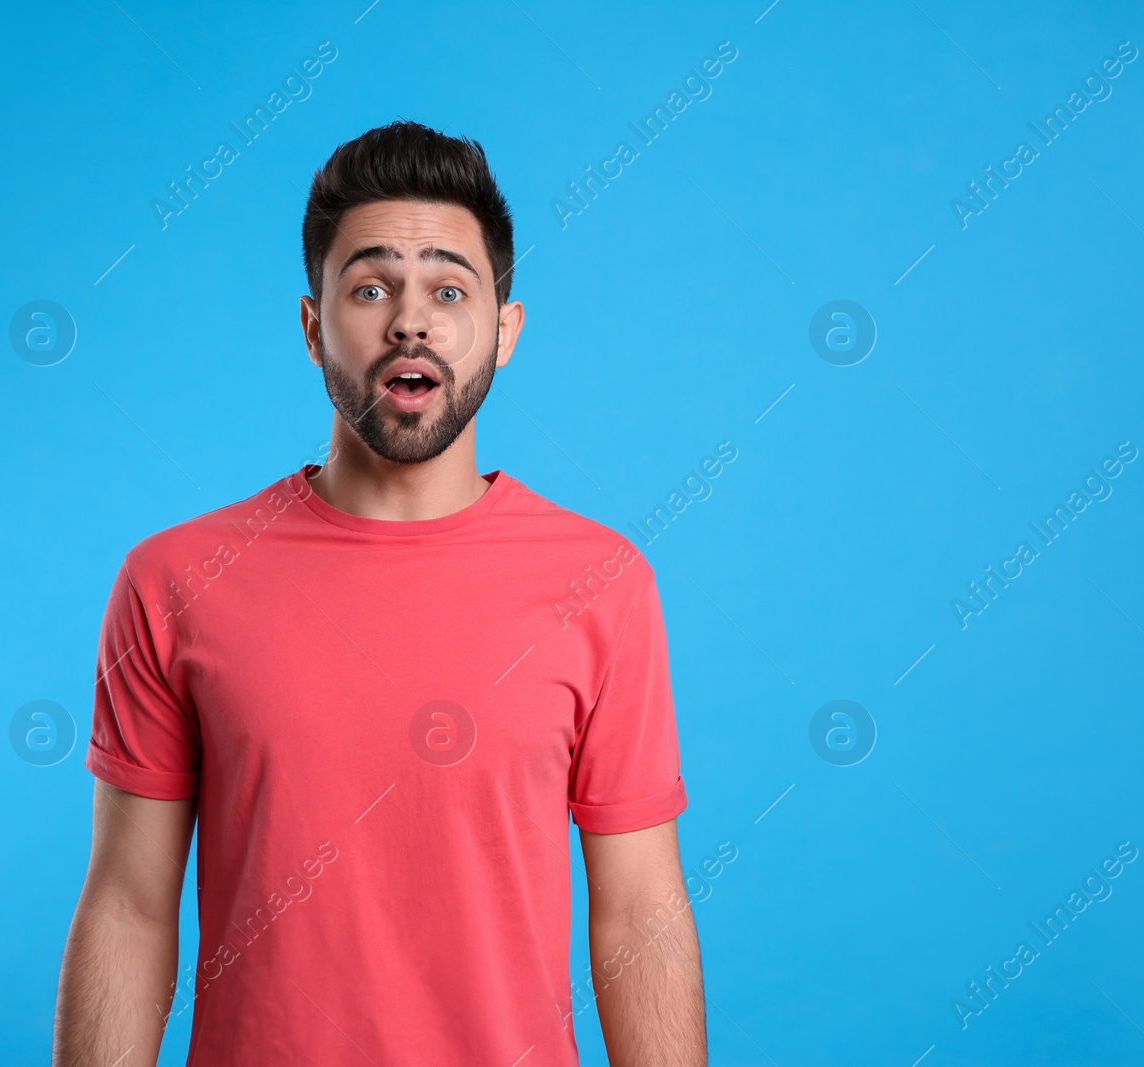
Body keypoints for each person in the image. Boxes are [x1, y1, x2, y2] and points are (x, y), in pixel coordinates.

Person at [53, 120, 705, 1066]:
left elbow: (640, 909)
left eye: (449, 288)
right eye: (370, 287)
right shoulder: (175, 582)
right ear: (315, 327)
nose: (411, 320)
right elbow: (130, 901)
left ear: (505, 330)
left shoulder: (601, 584)